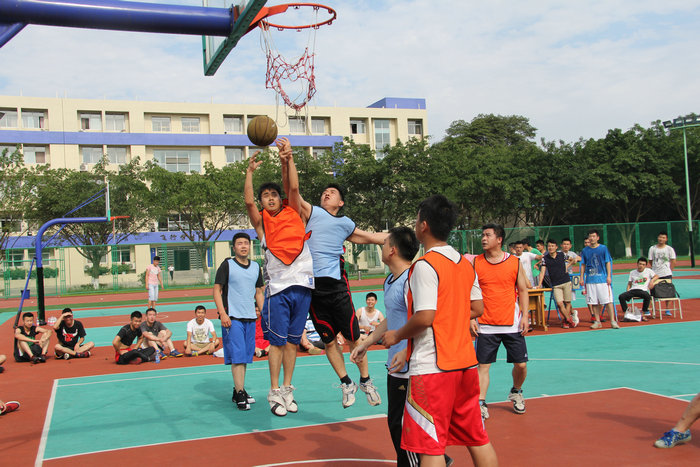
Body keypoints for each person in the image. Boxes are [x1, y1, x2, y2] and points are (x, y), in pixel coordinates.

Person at [382, 196, 498, 466]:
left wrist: (397, 335)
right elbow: (477, 307)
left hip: (433, 368)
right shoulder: (465, 263)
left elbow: (425, 317)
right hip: (465, 364)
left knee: (430, 446)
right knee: (477, 438)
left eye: (416, 219)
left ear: (423, 225)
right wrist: (449, 316)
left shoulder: (425, 266)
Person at [288, 142, 386, 408]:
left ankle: (365, 380)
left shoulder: (344, 223)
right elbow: (294, 191)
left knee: (354, 338)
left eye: (332, 193)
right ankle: (346, 383)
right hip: (314, 288)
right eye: (324, 192)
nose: (326, 194)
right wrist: (288, 160)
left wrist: (402, 236)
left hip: (337, 287)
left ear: (340, 202)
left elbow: (371, 237)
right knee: (330, 341)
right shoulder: (312, 213)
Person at [244, 138, 314, 417]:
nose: (271, 198)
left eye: (274, 194)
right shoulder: (262, 223)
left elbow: (293, 187)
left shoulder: (293, 212)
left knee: (293, 342)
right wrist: (249, 173)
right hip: (278, 289)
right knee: (277, 342)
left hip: (303, 285)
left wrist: (289, 158)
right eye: (266, 196)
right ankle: (273, 390)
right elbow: (248, 201)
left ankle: (287, 388)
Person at [351, 226, 425, 466]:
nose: (380, 246)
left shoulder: (412, 279)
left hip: (413, 365)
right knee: (396, 423)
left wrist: (408, 350)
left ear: (392, 250)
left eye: (384, 243)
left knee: (404, 426)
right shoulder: (390, 280)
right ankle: (436, 460)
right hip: (396, 364)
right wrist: (367, 342)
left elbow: (425, 320)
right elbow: (391, 318)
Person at [472, 223, 530, 421]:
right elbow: (468, 291)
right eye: (482, 235)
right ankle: (480, 403)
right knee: (483, 366)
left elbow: (523, 290)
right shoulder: (476, 262)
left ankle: (516, 391)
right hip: (485, 325)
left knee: (521, 365)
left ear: (499, 239)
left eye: (487, 235)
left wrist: (525, 316)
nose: (483, 238)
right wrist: (471, 317)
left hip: (512, 323)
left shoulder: (514, 262)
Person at [214, 232, 265, 411]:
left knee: (244, 356)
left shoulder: (255, 267)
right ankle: (240, 392)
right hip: (232, 317)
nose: (243, 246)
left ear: (250, 246)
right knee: (237, 356)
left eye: (246, 243)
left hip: (250, 317)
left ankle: (238, 390)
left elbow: (259, 292)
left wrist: (264, 314)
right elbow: (217, 290)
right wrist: (223, 313)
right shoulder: (227, 265)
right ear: (234, 247)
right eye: (239, 243)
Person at [580, 229, 619, 329]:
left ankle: (613, 321)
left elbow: (607, 262)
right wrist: (581, 278)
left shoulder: (603, 248)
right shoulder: (585, 251)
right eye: (590, 236)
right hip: (590, 280)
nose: (591, 238)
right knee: (594, 302)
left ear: (597, 238)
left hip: (602, 280)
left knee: (608, 301)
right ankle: (597, 321)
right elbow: (583, 265)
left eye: (593, 236)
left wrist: (609, 276)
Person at [538, 239, 576, 328]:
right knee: (559, 303)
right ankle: (569, 319)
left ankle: (566, 321)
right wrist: (539, 284)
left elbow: (573, 260)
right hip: (556, 284)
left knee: (567, 302)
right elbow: (542, 272)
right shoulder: (545, 258)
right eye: (549, 246)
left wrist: (567, 266)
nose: (551, 248)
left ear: (556, 247)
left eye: (552, 246)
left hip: (566, 281)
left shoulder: (562, 255)